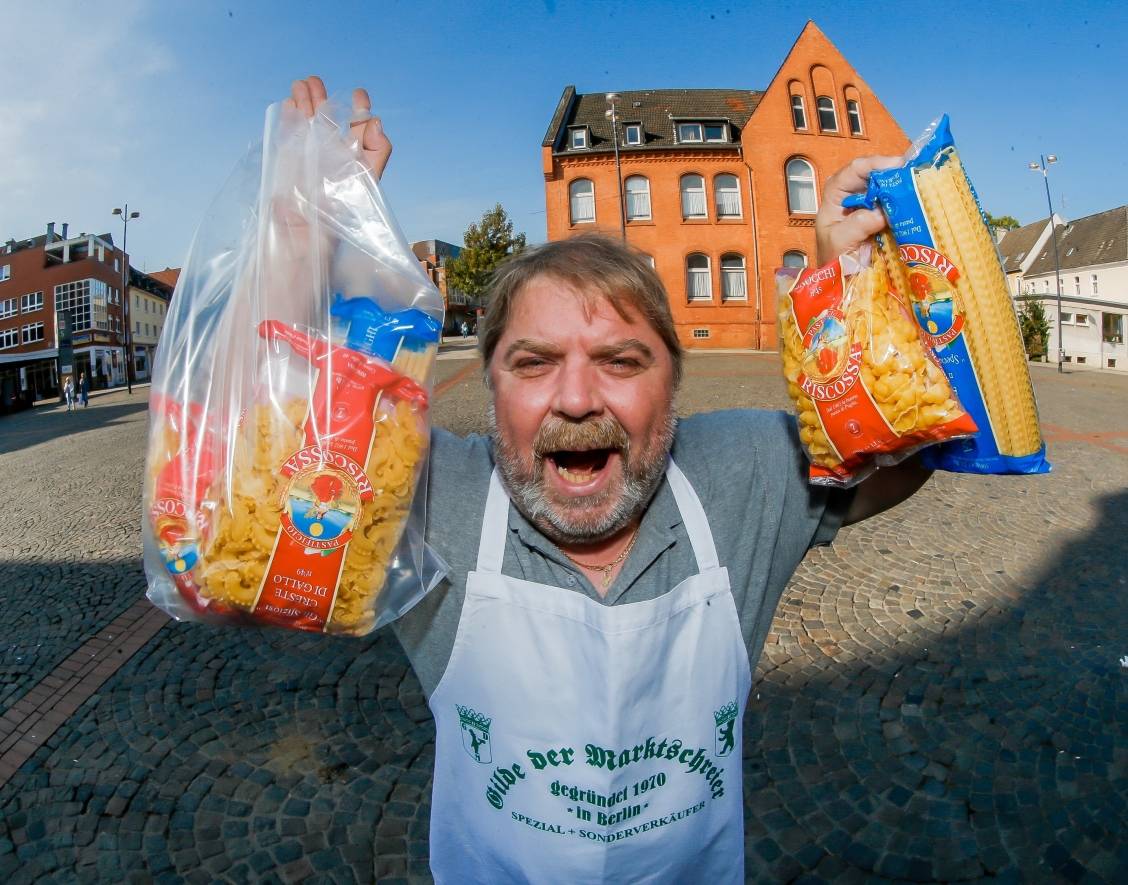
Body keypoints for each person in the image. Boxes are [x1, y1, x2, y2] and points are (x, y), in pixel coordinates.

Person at [289, 77, 925, 883]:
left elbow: (899, 465)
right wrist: (321, 227)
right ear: (489, 386)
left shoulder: (747, 469)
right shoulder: (428, 494)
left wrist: (848, 283)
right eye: (535, 362)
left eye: (622, 361)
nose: (579, 398)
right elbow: (282, 432)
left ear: (674, 383)